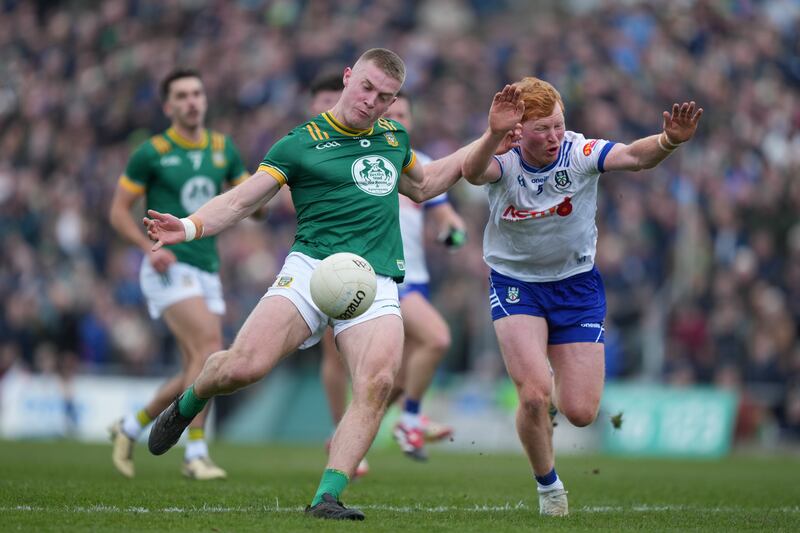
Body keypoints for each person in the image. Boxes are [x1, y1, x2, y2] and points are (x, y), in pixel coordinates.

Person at [141, 48, 522, 520]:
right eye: (366, 88)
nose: (372, 102)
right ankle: (188, 401)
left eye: (385, 97)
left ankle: (328, 496)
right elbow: (242, 201)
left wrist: (490, 136)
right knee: (243, 368)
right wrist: (190, 225)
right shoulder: (300, 143)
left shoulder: (394, 137)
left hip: (374, 280)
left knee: (379, 382)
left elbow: (425, 186)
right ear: (347, 78)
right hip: (310, 271)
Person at [461, 77, 703, 516]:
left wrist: (669, 140)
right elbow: (473, 172)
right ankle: (549, 487)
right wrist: (494, 133)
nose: (553, 136)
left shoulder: (580, 152)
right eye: (541, 129)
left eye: (558, 125)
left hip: (576, 286)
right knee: (535, 394)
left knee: (580, 411)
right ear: (519, 131)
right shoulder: (504, 157)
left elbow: (632, 156)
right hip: (517, 284)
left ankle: (544, 403)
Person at [108, 68, 250, 481]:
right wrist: (144, 250)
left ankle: (130, 427)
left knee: (196, 366)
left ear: (205, 100)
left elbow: (251, 201)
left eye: (197, 93)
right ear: (168, 106)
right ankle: (195, 454)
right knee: (210, 349)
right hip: (167, 264)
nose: (192, 101)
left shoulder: (225, 149)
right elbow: (118, 211)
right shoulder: (151, 152)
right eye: (182, 95)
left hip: (207, 267)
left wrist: (268, 194)